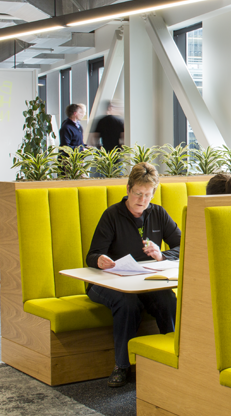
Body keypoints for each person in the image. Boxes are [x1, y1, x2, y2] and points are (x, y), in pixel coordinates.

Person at [86, 162, 180, 388]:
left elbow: (184, 245)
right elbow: (92, 256)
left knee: (168, 299)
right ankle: (122, 366)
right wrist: (100, 260)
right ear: (128, 189)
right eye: (138, 194)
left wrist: (162, 255)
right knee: (127, 303)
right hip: (107, 282)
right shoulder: (111, 215)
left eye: (148, 195)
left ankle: (175, 358)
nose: (143, 200)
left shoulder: (158, 213)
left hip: (143, 281)